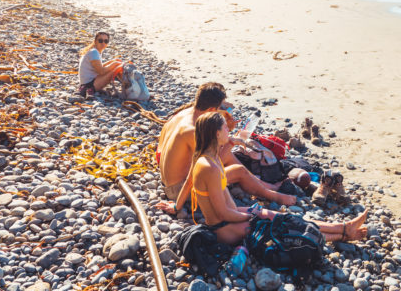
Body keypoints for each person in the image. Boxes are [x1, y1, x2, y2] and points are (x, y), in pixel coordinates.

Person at [186, 112, 369, 244]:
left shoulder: (210, 157)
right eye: (225, 128)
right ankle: (344, 233)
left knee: (285, 219)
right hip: (225, 229)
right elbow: (222, 213)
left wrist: (235, 141)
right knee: (285, 228)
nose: (229, 130)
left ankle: (343, 228)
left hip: (231, 217)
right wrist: (252, 214)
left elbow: (225, 206)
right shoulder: (208, 167)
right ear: (217, 134)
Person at [156, 83, 296, 212]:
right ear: (211, 109)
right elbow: (207, 167)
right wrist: (176, 207)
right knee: (239, 170)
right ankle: (270, 193)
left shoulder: (184, 114)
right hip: (177, 189)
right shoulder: (193, 131)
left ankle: (262, 184)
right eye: (218, 109)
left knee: (226, 153)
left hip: (168, 177)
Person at [77, 31, 122, 96]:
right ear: (95, 41)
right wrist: (115, 64)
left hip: (89, 82)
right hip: (89, 85)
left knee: (116, 63)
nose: (103, 43)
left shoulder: (95, 51)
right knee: (116, 69)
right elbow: (101, 71)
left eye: (106, 41)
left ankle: (128, 85)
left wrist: (113, 61)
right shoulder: (94, 52)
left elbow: (99, 67)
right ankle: (129, 86)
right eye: (100, 40)